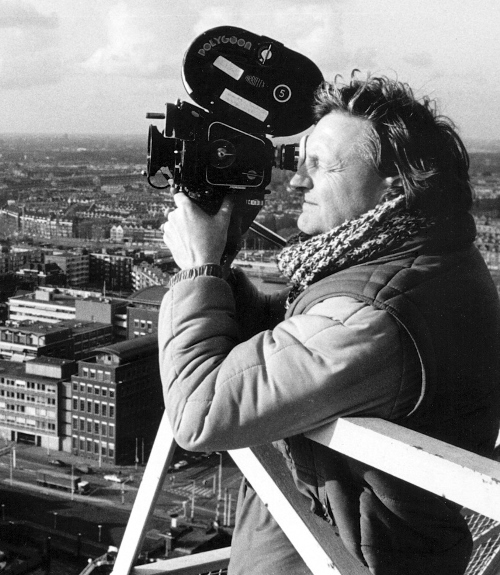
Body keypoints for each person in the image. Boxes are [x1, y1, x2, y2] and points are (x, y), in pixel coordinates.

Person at [159, 73, 500, 575]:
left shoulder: (374, 315)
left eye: (320, 166)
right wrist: (223, 268)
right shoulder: (428, 258)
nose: (297, 181)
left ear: (394, 184)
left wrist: (199, 271)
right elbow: (291, 343)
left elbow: (200, 412)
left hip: (331, 558)